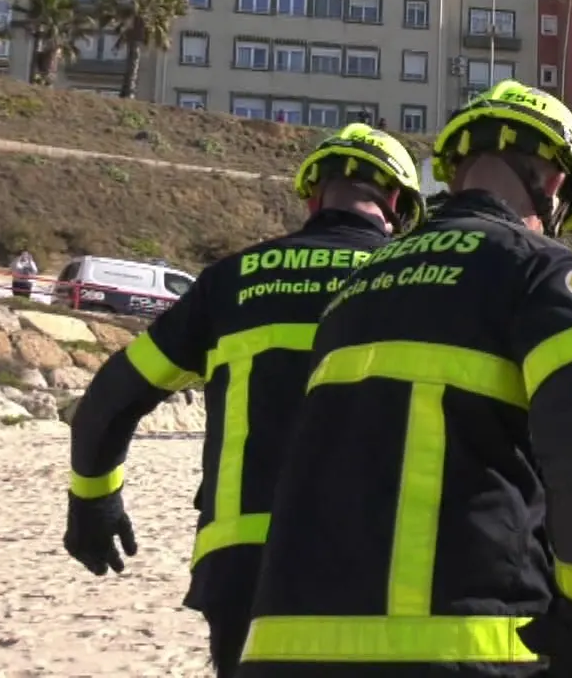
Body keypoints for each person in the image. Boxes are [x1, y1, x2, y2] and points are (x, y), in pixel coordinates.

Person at [239, 80, 572, 676]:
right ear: (556, 185)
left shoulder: (358, 283)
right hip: (455, 644)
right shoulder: (536, 268)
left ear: (452, 174)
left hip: (282, 643)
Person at [63, 123, 424, 677]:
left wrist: (93, 501)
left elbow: (110, 401)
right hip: (379, 560)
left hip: (243, 568)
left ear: (311, 196)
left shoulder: (230, 283)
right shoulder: (419, 284)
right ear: (397, 201)